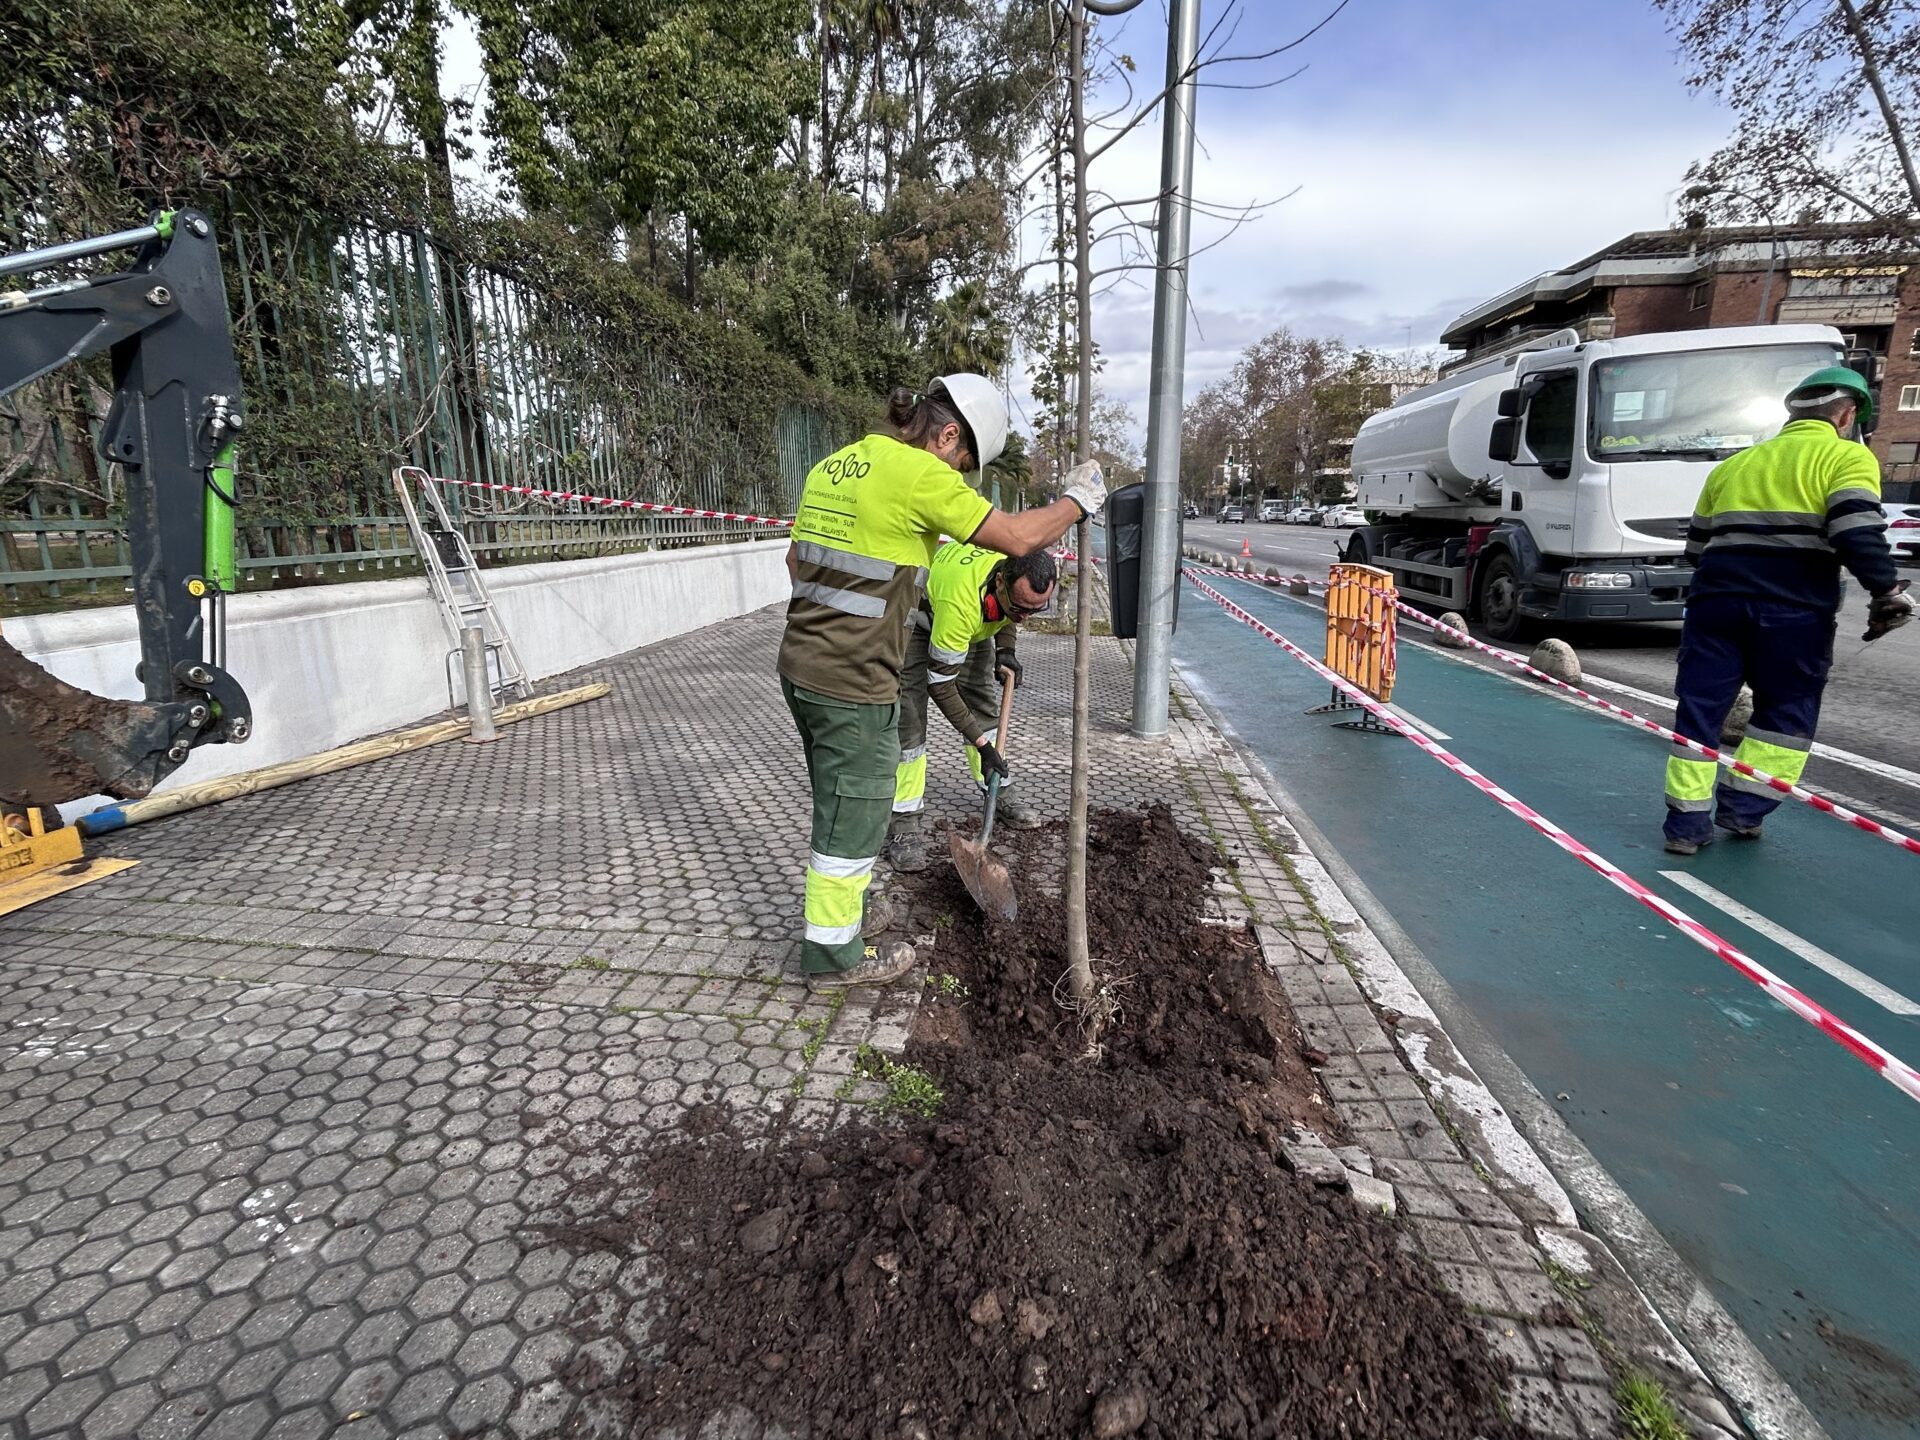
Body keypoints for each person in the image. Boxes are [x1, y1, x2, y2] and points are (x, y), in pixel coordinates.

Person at [779, 375, 1106, 988]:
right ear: (948, 434)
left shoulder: (835, 465)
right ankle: (831, 956)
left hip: (800, 664)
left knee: (839, 802)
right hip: (853, 679)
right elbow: (1016, 537)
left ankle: (845, 920)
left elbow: (795, 562)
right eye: (962, 464)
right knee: (857, 814)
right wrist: (1076, 502)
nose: (958, 478)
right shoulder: (920, 474)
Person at [1663, 366, 1913, 855]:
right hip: (1793, 611)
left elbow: (1695, 549)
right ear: (1847, 414)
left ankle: (1685, 829)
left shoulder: (1734, 466)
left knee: (1700, 710)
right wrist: (1886, 592)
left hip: (1716, 606)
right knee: (1785, 714)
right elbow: (1856, 531)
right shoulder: (1847, 457)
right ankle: (1743, 812)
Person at [886, 545, 1058, 873]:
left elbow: (1011, 612)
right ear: (999, 583)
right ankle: (903, 825)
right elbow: (941, 686)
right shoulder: (960, 605)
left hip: (974, 614)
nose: (1024, 618)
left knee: (982, 703)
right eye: (1020, 609)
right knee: (910, 724)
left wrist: (1006, 649)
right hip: (918, 619)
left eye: (1035, 610)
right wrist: (983, 746)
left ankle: (998, 792)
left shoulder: (1008, 569)